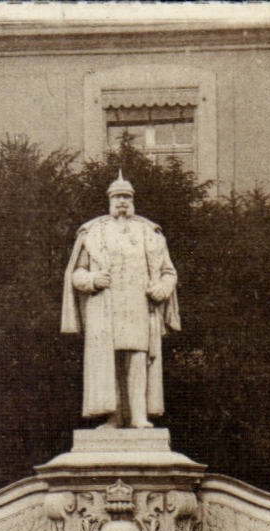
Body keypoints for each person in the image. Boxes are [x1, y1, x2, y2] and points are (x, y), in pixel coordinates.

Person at [61, 173, 180, 429]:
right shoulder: (93, 232)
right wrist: (92, 280)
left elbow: (169, 271)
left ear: (133, 199)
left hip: (139, 304)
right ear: (110, 200)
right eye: (117, 197)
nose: (122, 202)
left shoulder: (150, 232)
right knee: (108, 361)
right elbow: (76, 273)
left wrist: (162, 286)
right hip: (104, 307)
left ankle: (138, 415)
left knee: (137, 357)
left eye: (126, 196)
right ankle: (113, 417)